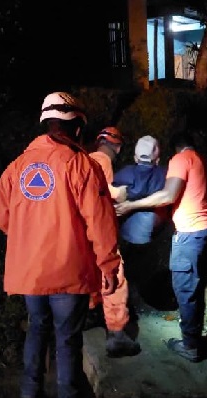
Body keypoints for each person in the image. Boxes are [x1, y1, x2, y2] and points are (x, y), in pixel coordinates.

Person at [0, 91, 121, 398]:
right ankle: (67, 394)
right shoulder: (82, 166)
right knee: (67, 339)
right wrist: (109, 266)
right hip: (68, 273)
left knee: (37, 328)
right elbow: (100, 222)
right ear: (77, 127)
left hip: (31, 274)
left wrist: (25, 233)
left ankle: (29, 392)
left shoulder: (17, 167)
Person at [115, 130, 207, 363]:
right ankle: (192, 339)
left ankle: (190, 346)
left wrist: (130, 206)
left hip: (192, 232)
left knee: (185, 287)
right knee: (195, 285)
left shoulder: (179, 160)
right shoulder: (200, 160)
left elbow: (168, 195)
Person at [85, 126, 141, 358]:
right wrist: (118, 195)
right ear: (117, 147)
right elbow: (97, 192)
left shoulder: (85, 159)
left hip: (81, 234)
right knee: (115, 279)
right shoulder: (102, 161)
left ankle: (85, 319)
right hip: (98, 233)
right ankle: (117, 335)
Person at [113, 135, 169, 245]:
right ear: (157, 160)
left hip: (124, 232)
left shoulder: (125, 173)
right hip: (149, 233)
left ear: (135, 158)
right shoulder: (165, 175)